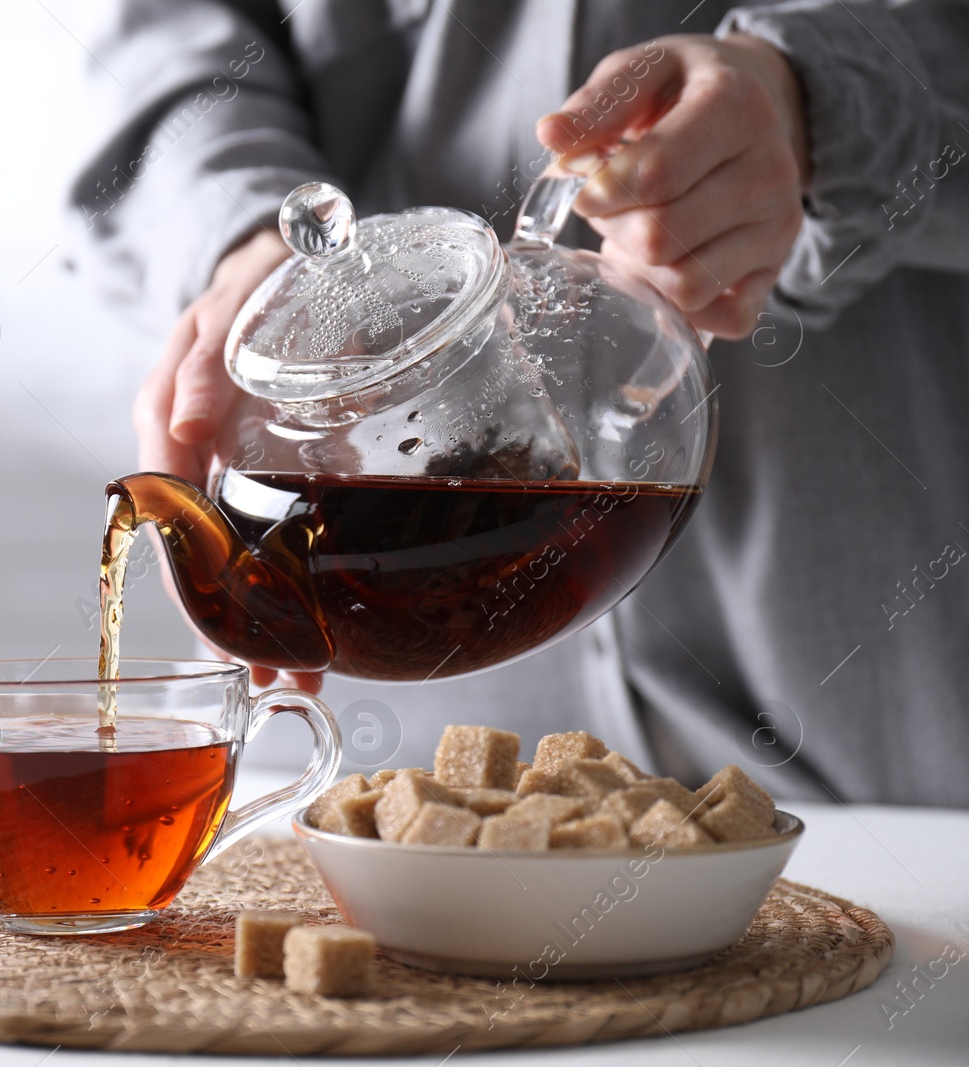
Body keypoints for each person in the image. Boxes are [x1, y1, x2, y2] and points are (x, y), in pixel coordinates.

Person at [69, 1, 969, 806]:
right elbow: (162, 52)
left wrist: (822, 98)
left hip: (885, 734)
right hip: (400, 771)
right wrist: (241, 244)